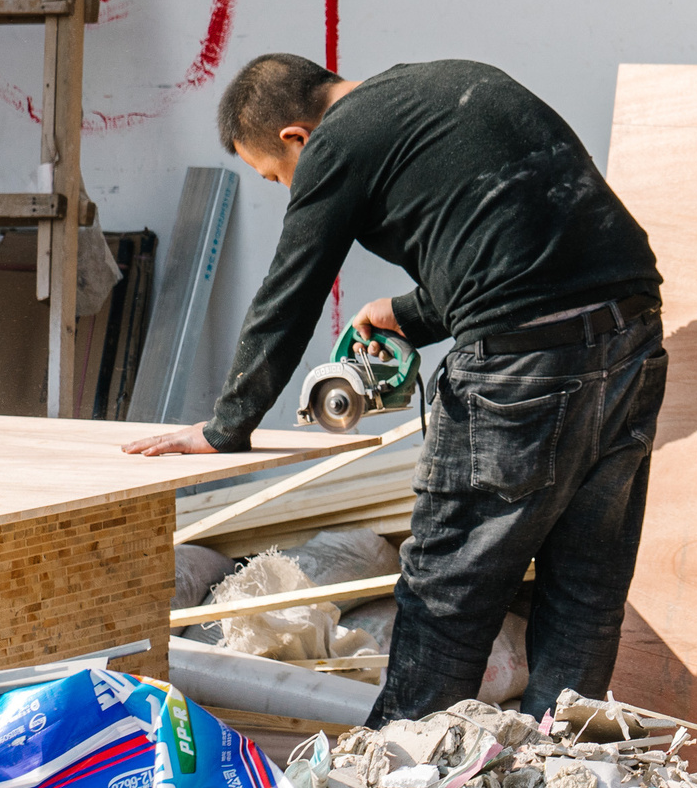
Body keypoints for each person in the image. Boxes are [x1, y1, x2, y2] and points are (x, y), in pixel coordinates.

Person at [125, 54, 666, 725]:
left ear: (297, 137)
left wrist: (225, 426)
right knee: (585, 590)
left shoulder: (336, 140)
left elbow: (290, 291)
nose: (290, 188)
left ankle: (404, 773)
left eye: (277, 175)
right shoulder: (446, 89)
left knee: (447, 594)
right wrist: (407, 314)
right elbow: (522, 252)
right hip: (633, 343)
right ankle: (561, 774)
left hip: (521, 369)